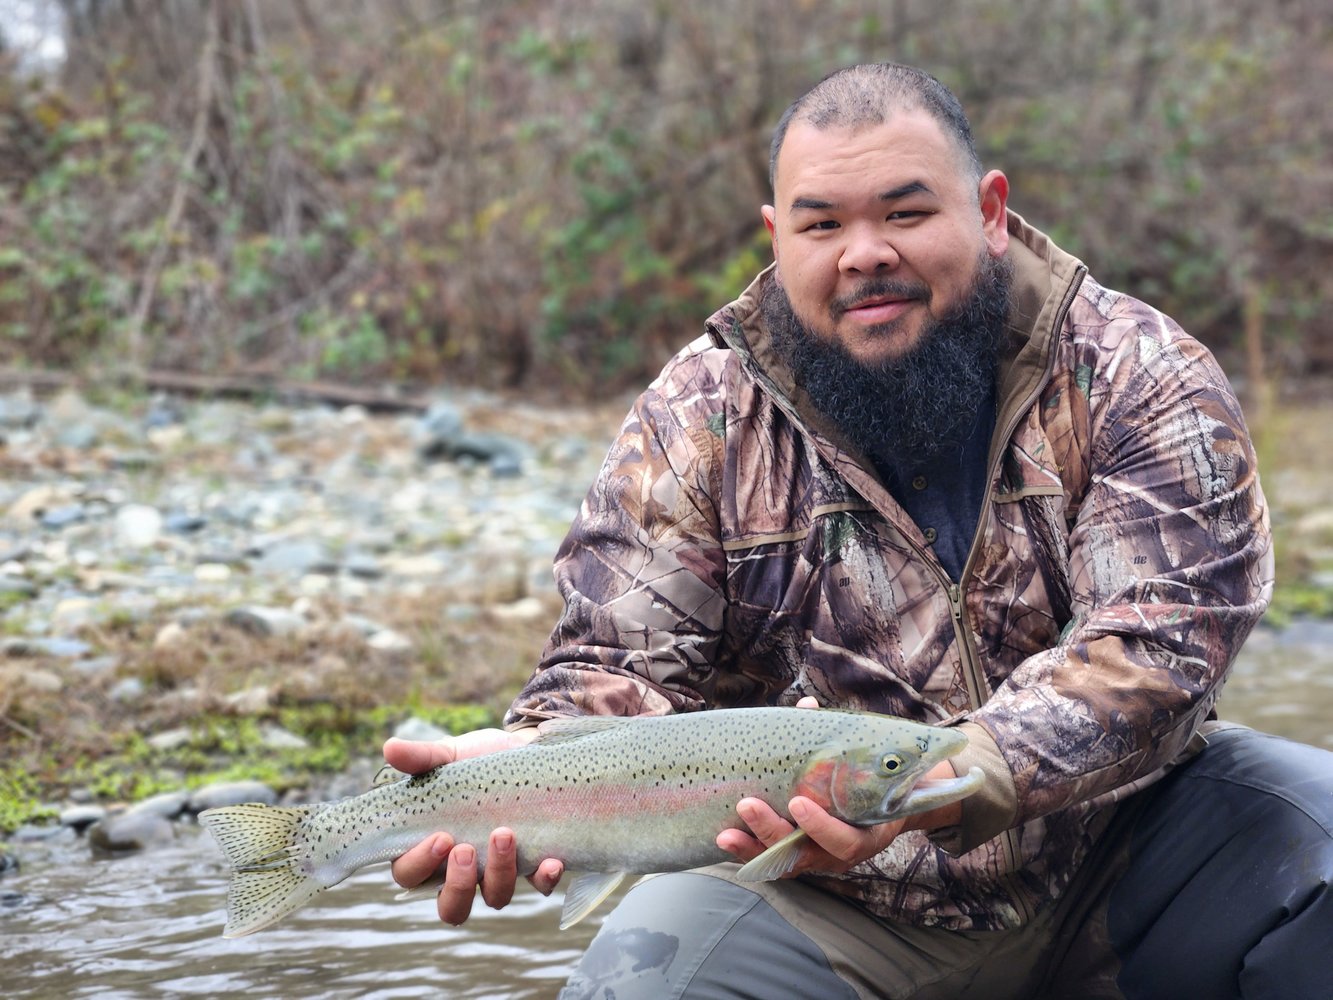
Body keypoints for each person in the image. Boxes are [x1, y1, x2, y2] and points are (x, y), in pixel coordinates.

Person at [384, 64, 1332, 998]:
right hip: (821, 895)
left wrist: (964, 773)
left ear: (990, 211)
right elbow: (614, 662)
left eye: (905, 213)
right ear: (776, 234)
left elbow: (1161, 642)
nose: (864, 251)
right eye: (822, 222)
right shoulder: (700, 414)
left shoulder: (1137, 374)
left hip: (1128, 864)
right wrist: (535, 767)